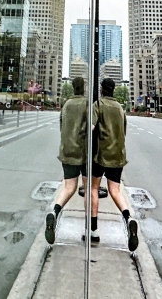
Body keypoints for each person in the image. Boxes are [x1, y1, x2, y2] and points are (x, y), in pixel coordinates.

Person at [89, 78, 139, 251]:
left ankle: (94, 231)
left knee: (94, 189)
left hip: (101, 155)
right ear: (114, 90)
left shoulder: (98, 105)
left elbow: (92, 127)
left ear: (102, 90)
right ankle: (128, 218)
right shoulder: (120, 108)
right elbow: (123, 132)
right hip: (118, 156)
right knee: (115, 191)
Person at [45, 77, 88, 244]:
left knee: (69, 187)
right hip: (84, 153)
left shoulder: (67, 105)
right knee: (87, 189)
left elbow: (62, 128)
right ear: (83, 88)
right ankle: (88, 226)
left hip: (68, 152)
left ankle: (55, 212)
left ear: (72, 88)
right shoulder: (87, 104)